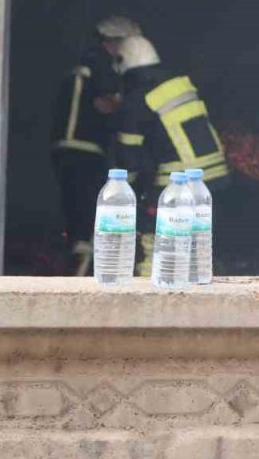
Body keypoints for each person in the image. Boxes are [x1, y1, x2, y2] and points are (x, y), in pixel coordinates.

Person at [113, 35, 228, 272]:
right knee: (196, 248)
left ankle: (149, 298)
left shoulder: (136, 98)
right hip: (214, 178)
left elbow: (129, 159)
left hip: (178, 179)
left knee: (155, 242)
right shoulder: (179, 83)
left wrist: (131, 195)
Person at [50, 16, 140, 272]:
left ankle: (78, 263)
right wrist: (137, 108)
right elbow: (105, 103)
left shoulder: (85, 62)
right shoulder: (100, 63)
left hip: (68, 149)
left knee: (79, 217)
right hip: (83, 150)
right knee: (91, 220)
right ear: (113, 43)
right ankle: (80, 277)